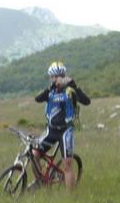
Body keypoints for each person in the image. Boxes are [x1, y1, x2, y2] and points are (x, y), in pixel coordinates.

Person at [34, 61, 90, 191]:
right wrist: (50, 87)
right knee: (34, 153)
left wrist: (73, 85)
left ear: (62, 76)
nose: (53, 79)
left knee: (67, 166)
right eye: (51, 77)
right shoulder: (51, 91)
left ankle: (71, 197)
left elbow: (86, 101)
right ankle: (40, 182)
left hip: (65, 132)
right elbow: (38, 99)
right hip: (51, 130)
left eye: (55, 77)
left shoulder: (70, 90)